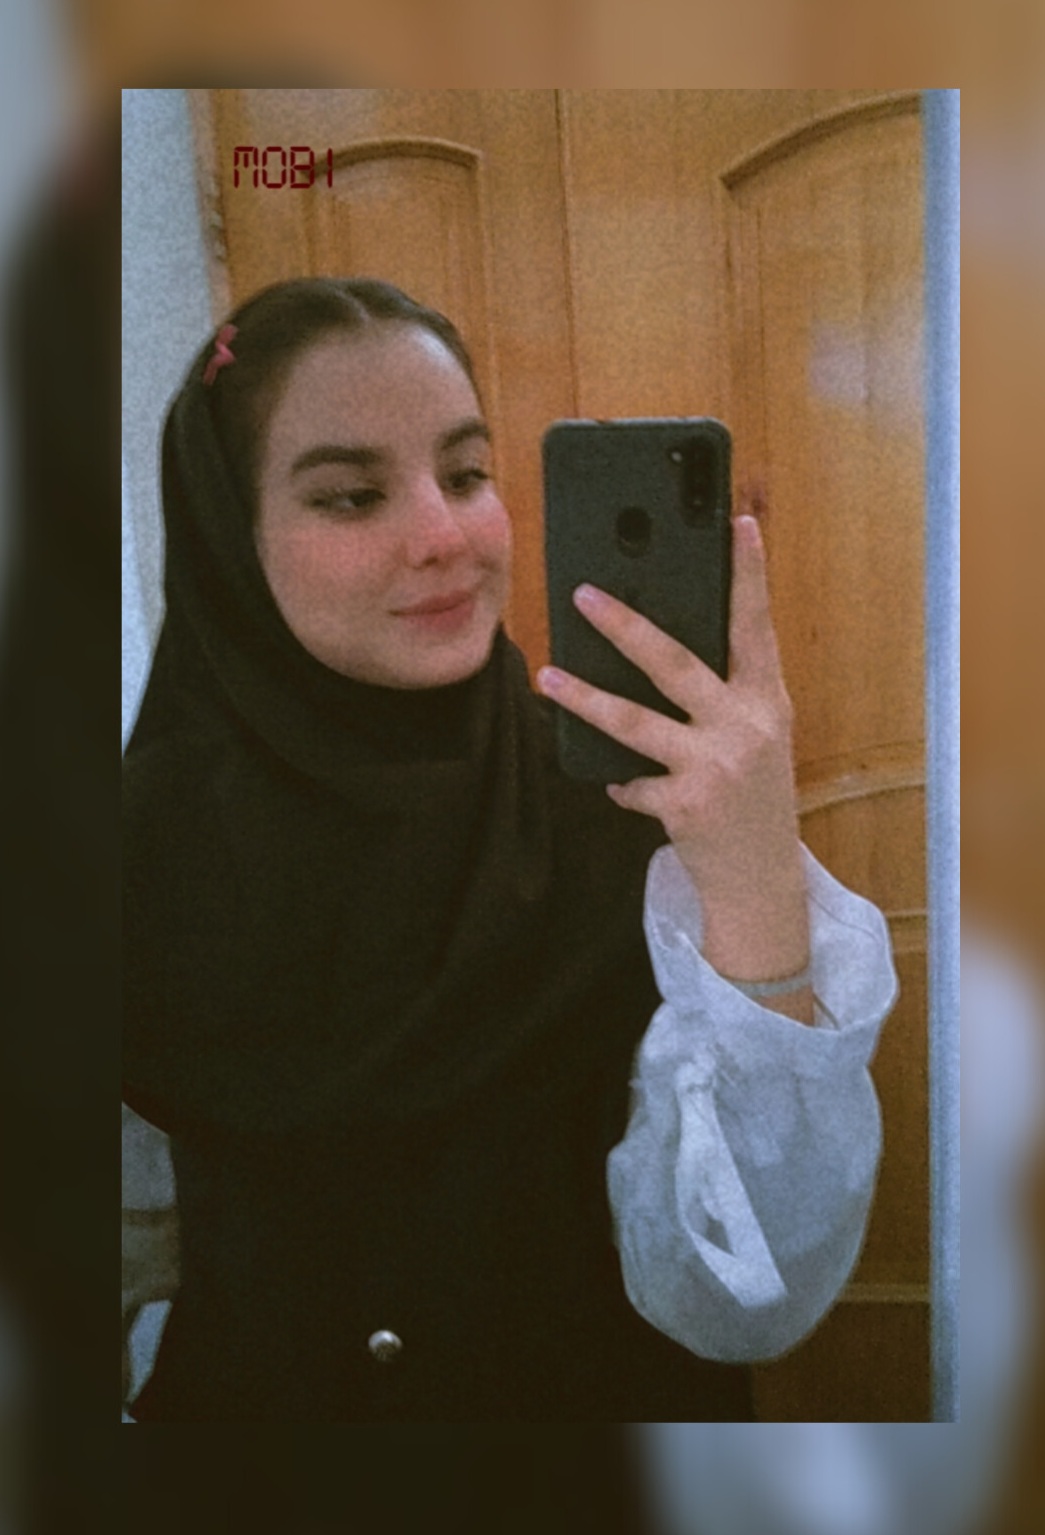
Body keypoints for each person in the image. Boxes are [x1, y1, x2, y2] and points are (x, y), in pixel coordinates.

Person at [122, 276, 897, 1422]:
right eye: (351, 495)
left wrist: (751, 875)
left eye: (467, 473)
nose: (443, 536)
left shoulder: (630, 801)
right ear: (227, 533)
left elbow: (749, 1296)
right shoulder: (128, 851)